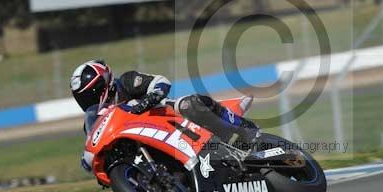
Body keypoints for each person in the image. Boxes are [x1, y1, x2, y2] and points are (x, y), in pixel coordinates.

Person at [70, 60, 260, 142]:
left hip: (165, 117)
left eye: (89, 94)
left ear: (103, 85)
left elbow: (161, 82)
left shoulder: (126, 82)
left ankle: (245, 127)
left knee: (191, 104)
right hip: (141, 138)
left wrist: (147, 100)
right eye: (83, 98)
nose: (88, 101)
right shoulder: (94, 120)